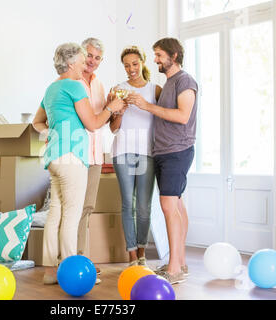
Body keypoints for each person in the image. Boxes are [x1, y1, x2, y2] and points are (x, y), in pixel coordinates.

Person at [32, 42, 124, 285]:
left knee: (56, 213)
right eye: (83, 60)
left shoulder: (51, 88)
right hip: (72, 157)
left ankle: (51, 271)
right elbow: (93, 123)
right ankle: (72, 272)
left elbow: (36, 122)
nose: (86, 64)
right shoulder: (74, 86)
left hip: (54, 157)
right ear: (71, 63)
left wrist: (51, 132)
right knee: (72, 215)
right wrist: (111, 108)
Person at [126, 38, 198, 285]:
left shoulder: (185, 81)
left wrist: (146, 106)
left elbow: (182, 116)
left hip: (177, 151)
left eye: (159, 55)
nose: (155, 59)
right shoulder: (169, 83)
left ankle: (175, 268)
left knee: (169, 206)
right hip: (165, 152)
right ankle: (178, 262)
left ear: (174, 55)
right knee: (176, 206)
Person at [109, 46, 162, 267]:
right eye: (126, 65)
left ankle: (142, 253)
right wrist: (120, 111)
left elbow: (163, 119)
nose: (131, 69)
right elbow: (113, 128)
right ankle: (131, 256)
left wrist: (143, 104)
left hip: (147, 153)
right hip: (122, 151)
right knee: (127, 205)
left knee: (143, 206)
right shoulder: (116, 90)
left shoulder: (155, 90)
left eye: (134, 64)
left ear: (142, 62)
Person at [76, 38, 107, 273]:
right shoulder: (70, 81)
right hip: (75, 155)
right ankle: (69, 259)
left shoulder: (99, 85)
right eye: (89, 55)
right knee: (72, 208)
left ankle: (81, 259)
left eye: (97, 57)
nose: (92, 61)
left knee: (87, 208)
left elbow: (103, 120)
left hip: (96, 156)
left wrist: (117, 109)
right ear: (79, 53)